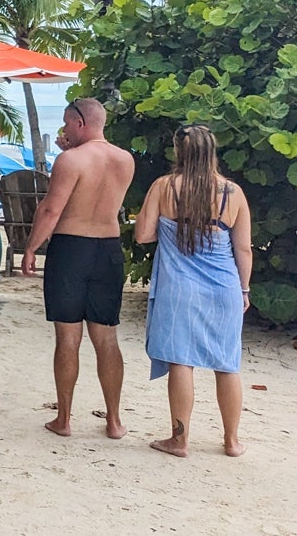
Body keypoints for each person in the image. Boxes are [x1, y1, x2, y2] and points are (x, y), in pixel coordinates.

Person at [22, 97, 136, 439]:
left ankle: (65, 418)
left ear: (80, 123)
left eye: (67, 123)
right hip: (109, 249)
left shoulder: (69, 160)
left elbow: (51, 210)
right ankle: (114, 420)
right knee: (106, 336)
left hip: (72, 248)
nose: (63, 129)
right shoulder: (125, 160)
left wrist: (31, 248)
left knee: (68, 337)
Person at [135, 124, 252, 458]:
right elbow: (243, 249)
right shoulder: (234, 193)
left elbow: (143, 234)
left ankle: (179, 439)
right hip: (225, 288)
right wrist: (244, 289)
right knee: (227, 363)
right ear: (213, 151)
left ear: (178, 151)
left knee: (181, 361)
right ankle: (231, 441)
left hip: (180, 289)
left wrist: (170, 230)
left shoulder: (164, 186)